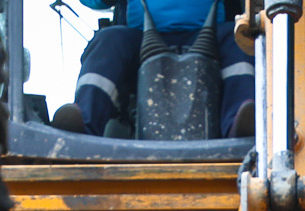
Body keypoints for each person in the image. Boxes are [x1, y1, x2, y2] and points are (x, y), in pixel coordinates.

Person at [51, 0, 255, 139]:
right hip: (139, 40)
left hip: (214, 37)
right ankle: (82, 124)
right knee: (108, 40)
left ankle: (240, 124)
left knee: (240, 42)